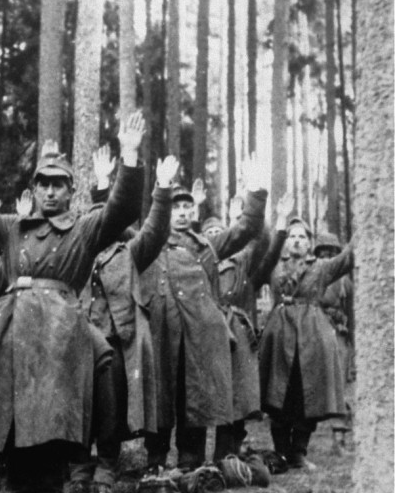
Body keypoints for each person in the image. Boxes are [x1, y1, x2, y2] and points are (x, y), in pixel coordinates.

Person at [0, 110, 147, 493]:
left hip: (60, 336)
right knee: (15, 426)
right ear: (33, 189)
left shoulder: (84, 229)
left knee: (56, 426)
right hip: (14, 334)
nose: (51, 192)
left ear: (71, 191)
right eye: (44, 184)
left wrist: (130, 157)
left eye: (60, 185)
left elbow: (123, 208)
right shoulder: (11, 230)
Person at [69, 149, 176, 493]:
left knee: (111, 410)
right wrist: (101, 186)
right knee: (81, 407)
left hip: (116, 341)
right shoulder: (78, 252)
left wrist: (162, 189)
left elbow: (156, 231)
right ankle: (79, 472)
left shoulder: (129, 252)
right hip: (80, 340)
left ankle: (106, 474)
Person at [140, 173, 266, 474]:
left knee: (192, 396)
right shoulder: (150, 242)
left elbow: (246, 229)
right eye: (175, 207)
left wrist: (254, 190)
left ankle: (189, 462)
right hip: (161, 330)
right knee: (160, 396)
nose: (182, 212)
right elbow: (114, 226)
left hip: (197, 334)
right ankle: (155, 462)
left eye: (186, 207)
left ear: (193, 212)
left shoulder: (207, 245)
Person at [203, 165, 293, 460]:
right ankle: (208, 455)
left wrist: (274, 222)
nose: (217, 237)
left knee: (238, 395)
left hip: (238, 334)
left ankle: (228, 452)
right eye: (211, 234)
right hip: (209, 330)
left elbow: (260, 242)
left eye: (221, 232)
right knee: (210, 393)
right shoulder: (200, 265)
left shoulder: (243, 263)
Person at [259, 221, 354, 470]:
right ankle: (280, 452)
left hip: (312, 337)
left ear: (310, 243)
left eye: (302, 236)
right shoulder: (274, 265)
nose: (297, 240)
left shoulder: (321, 268)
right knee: (278, 393)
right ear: (286, 241)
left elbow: (347, 258)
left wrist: (365, 225)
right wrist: (276, 229)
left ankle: (298, 453)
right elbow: (259, 248)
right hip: (279, 335)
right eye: (292, 236)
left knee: (306, 394)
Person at [315, 232, 354, 455]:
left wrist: (351, 343)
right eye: (322, 253)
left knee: (339, 387)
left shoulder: (344, 282)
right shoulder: (312, 275)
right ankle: (294, 445)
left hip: (338, 335)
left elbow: (351, 314)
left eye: (331, 253)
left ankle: (339, 439)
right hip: (315, 334)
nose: (326, 257)